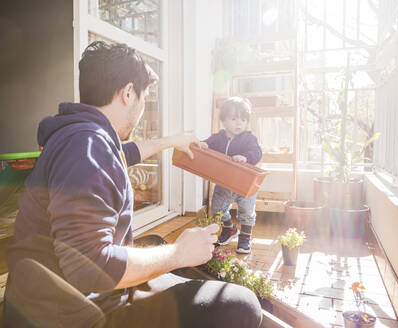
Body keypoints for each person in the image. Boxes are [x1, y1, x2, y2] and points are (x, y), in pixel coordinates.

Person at [3, 41, 262, 328]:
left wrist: (169, 142)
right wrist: (179, 253)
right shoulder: (87, 148)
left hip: (46, 300)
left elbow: (119, 156)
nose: (141, 109)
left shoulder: (79, 137)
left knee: (159, 250)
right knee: (241, 305)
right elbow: (89, 268)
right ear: (128, 93)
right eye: (143, 99)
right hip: (72, 315)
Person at [200, 97, 262, 254]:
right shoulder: (218, 138)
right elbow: (206, 144)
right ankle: (230, 229)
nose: (239, 123)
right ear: (224, 120)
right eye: (234, 119)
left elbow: (257, 152)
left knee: (246, 212)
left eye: (243, 119)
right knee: (217, 209)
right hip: (224, 183)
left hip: (245, 184)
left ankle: (245, 238)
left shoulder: (249, 138)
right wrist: (203, 145)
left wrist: (246, 157)